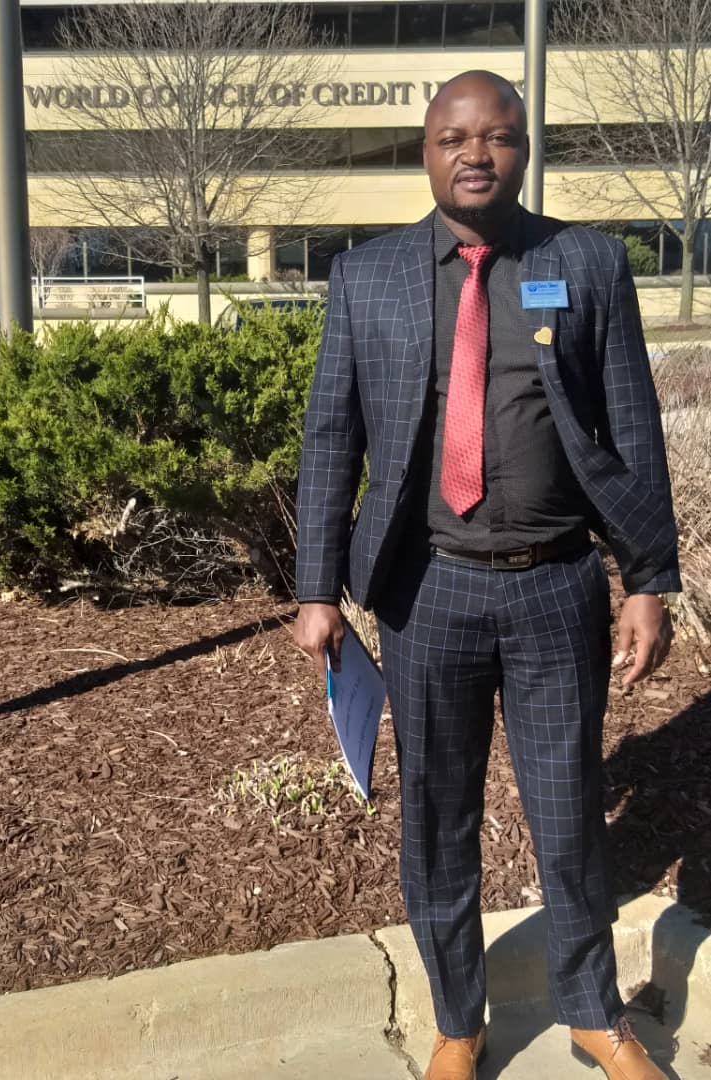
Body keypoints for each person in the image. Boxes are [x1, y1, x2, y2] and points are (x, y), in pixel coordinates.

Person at [293, 70, 680, 1080]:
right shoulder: (367, 276)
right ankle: (457, 1023)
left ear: (522, 149)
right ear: (426, 153)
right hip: (428, 591)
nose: (475, 153)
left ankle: (592, 1013)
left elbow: (631, 425)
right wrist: (315, 589)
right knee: (437, 818)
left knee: (567, 812)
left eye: (496, 136)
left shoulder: (584, 262)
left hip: (556, 585)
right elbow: (331, 435)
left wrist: (646, 578)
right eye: (452, 138)